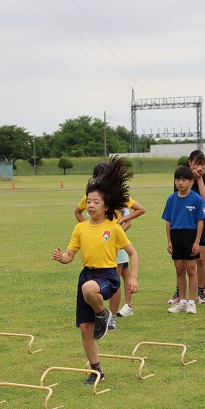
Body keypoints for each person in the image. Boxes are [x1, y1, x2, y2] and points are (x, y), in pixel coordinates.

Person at [53, 158, 139, 385]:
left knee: (89, 289)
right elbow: (69, 257)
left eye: (96, 202)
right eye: (89, 201)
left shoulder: (114, 228)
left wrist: (133, 278)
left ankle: (103, 315)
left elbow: (133, 253)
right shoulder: (80, 228)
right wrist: (60, 257)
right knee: (85, 329)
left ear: (106, 206)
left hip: (107, 276)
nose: (90, 206)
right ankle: (96, 370)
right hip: (86, 275)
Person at [75, 163, 144, 327]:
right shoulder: (91, 197)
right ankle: (104, 313)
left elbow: (140, 209)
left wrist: (124, 220)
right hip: (100, 244)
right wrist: (88, 230)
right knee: (108, 280)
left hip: (114, 242)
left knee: (115, 280)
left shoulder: (116, 196)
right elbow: (77, 212)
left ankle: (111, 316)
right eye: (98, 177)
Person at [168, 150, 205, 303]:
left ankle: (201, 292)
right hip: (184, 224)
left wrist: (199, 178)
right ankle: (179, 293)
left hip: (202, 222)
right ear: (189, 162)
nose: (198, 167)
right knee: (181, 264)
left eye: (202, 164)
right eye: (196, 163)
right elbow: (181, 195)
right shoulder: (182, 177)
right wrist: (191, 179)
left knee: (201, 259)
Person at [162, 166, 205, 314]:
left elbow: (201, 221)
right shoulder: (171, 199)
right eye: (177, 180)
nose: (180, 183)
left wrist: (197, 242)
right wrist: (169, 241)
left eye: (183, 180)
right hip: (176, 236)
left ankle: (191, 302)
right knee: (180, 270)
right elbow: (168, 221)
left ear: (191, 181)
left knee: (191, 270)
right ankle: (182, 301)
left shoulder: (197, 199)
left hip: (190, 235)